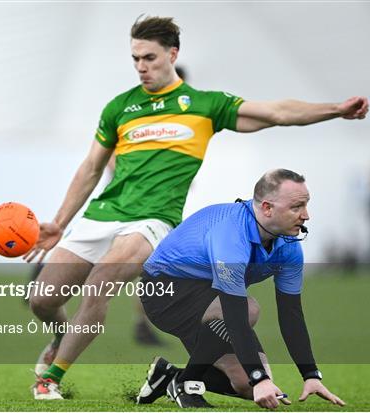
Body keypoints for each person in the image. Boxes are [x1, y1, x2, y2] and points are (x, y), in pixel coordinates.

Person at [26, 15, 369, 400]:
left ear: (173, 54)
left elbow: (276, 113)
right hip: (101, 215)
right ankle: (61, 334)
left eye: (150, 57)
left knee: (100, 282)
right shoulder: (120, 108)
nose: (141, 66)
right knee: (42, 298)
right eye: (136, 58)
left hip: (153, 220)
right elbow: (91, 167)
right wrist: (59, 221)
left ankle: (50, 379)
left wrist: (334, 110)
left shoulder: (204, 106)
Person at [137, 169, 345, 409]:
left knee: (248, 385)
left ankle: (168, 377)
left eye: (306, 205)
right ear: (267, 208)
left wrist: (310, 375)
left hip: (211, 299)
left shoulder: (289, 246)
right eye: (296, 207)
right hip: (165, 290)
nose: (306, 215)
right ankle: (188, 383)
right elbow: (235, 313)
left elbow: (291, 315)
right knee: (249, 310)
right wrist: (260, 377)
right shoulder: (231, 234)